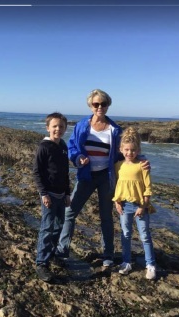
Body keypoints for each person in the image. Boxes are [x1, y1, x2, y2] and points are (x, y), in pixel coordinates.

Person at [56, 89, 149, 267]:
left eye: (103, 104)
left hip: (106, 177)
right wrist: (77, 158)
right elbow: (72, 147)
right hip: (85, 176)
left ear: (108, 105)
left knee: (106, 216)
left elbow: (127, 152)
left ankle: (108, 255)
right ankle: (62, 249)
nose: (100, 107)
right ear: (90, 106)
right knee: (70, 212)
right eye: (96, 104)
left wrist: (142, 161)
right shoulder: (82, 125)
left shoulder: (115, 130)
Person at [112, 127, 157, 280]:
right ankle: (126, 262)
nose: (129, 153)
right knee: (125, 234)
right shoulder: (118, 166)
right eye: (126, 150)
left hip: (140, 207)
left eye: (132, 150)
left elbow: (148, 188)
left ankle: (150, 265)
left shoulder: (142, 166)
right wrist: (117, 202)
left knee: (144, 235)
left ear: (138, 150)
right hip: (124, 206)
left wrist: (143, 206)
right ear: (120, 149)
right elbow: (119, 186)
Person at [33, 112, 71, 282]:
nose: (58, 129)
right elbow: (37, 172)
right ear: (48, 128)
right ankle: (42, 263)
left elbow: (65, 172)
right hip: (49, 195)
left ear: (65, 129)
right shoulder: (44, 147)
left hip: (62, 195)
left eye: (61, 126)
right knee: (47, 228)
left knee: (58, 226)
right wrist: (43, 193)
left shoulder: (63, 145)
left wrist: (68, 193)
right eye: (54, 126)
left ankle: (52, 254)